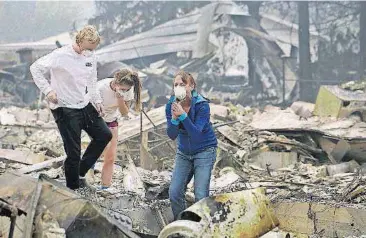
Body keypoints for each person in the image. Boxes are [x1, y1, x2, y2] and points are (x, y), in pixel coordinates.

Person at [30, 25, 112, 190]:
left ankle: (79, 172)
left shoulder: (90, 56)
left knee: (104, 135)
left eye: (93, 49)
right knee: (73, 152)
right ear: (79, 41)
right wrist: (48, 90)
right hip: (64, 106)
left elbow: (91, 81)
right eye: (88, 48)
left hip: (84, 103)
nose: (89, 52)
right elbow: (35, 68)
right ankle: (73, 189)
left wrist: (97, 101)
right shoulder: (60, 55)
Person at [166, 70, 217, 220]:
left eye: (183, 84)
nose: (179, 88)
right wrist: (175, 120)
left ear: (192, 86)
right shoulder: (171, 105)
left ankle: (203, 228)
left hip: (205, 150)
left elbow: (196, 134)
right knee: (174, 192)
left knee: (200, 195)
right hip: (184, 152)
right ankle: (183, 224)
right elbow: (172, 135)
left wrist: (183, 116)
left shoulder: (202, 105)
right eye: (176, 85)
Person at [90, 69, 142, 190]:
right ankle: (87, 176)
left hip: (112, 120)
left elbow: (124, 112)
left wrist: (120, 98)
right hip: (94, 119)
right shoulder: (101, 88)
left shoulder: (127, 91)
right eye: (122, 88)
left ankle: (105, 186)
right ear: (115, 81)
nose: (124, 91)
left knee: (110, 155)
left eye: (126, 89)